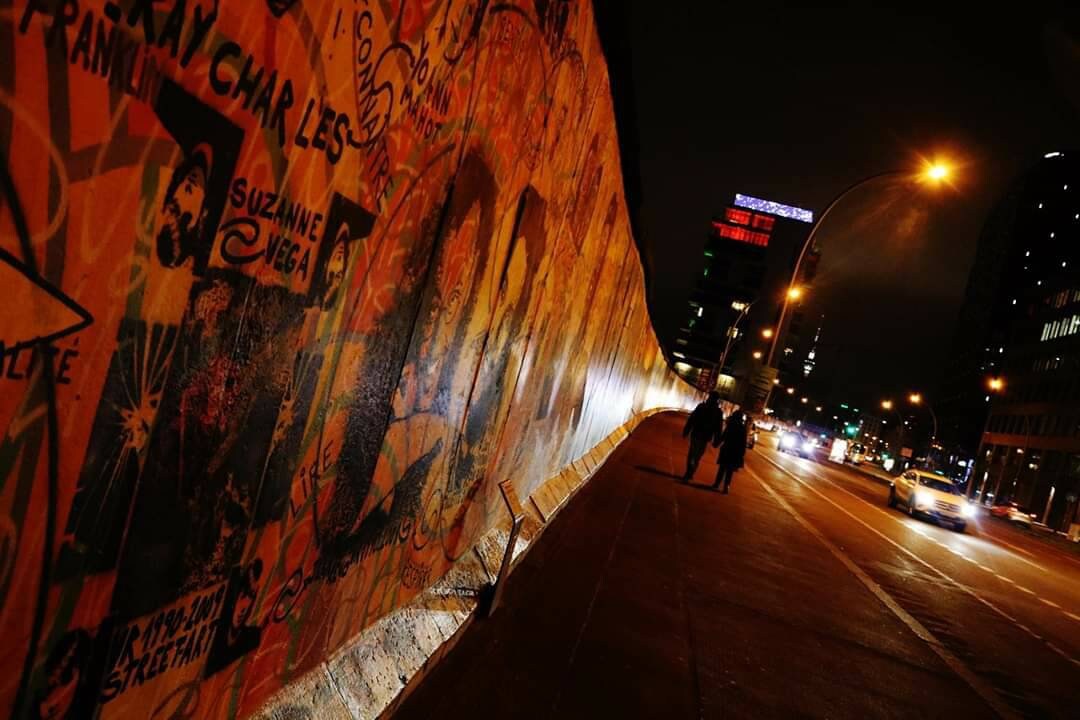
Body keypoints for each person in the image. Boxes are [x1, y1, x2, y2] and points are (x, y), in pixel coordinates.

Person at [681, 391, 723, 481]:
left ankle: (689, 471)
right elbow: (718, 428)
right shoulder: (718, 412)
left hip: (696, 433)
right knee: (698, 455)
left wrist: (686, 430)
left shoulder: (701, 406)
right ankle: (691, 472)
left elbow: (692, 419)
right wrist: (716, 440)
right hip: (705, 437)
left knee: (692, 453)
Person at [713, 412, 748, 493]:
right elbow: (743, 443)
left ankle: (717, 484)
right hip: (735, 452)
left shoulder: (730, 426)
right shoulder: (742, 428)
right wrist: (742, 454)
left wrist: (716, 443)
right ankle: (726, 486)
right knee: (730, 471)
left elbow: (724, 436)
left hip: (727, 449)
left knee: (722, 468)